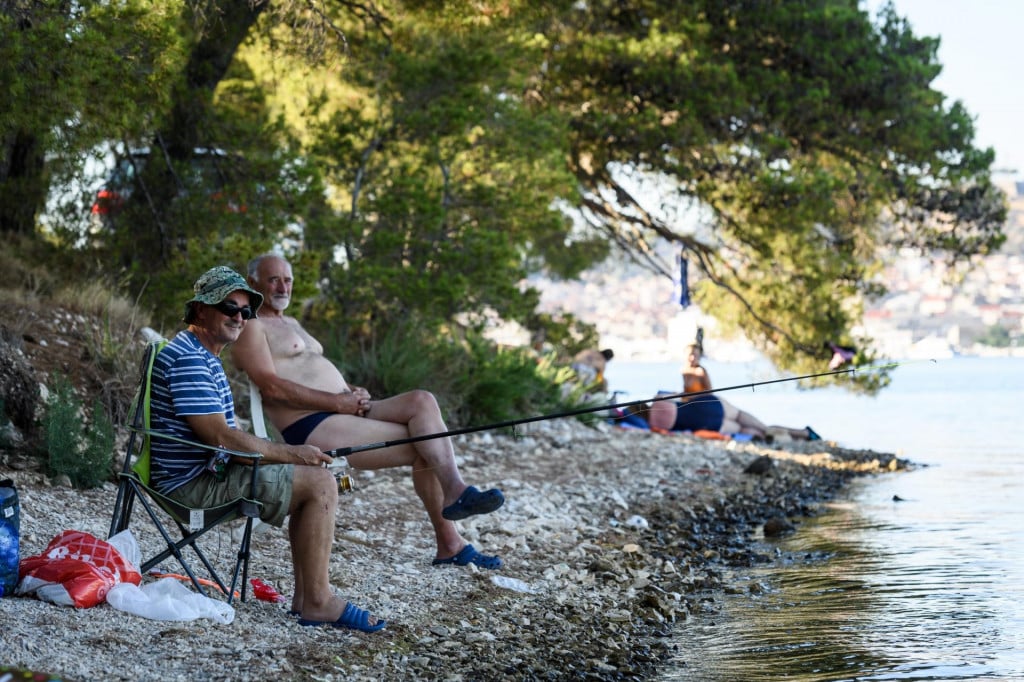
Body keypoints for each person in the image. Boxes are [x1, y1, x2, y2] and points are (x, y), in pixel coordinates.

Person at [230, 254, 505, 571]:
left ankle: (456, 490)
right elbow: (272, 388)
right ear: (253, 283)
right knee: (424, 444)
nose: (282, 286)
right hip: (313, 424)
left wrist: (350, 390)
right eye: (273, 279)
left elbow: (310, 369)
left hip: (345, 408)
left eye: (288, 279)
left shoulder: (291, 323)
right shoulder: (251, 326)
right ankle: (451, 542)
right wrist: (337, 403)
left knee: (422, 401)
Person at [149, 265, 386, 632]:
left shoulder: (201, 353)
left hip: (207, 471)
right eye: (230, 307)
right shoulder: (190, 359)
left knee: (314, 476)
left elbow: (224, 437)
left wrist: (294, 457)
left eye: (246, 311)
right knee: (319, 484)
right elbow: (222, 438)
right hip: (192, 486)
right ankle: (318, 602)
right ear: (200, 311)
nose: (240, 317)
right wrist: (294, 453)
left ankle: (306, 599)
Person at [647, 341, 821, 441]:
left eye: (696, 355)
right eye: (691, 354)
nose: (693, 358)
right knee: (760, 428)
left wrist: (682, 397)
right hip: (710, 409)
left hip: (709, 408)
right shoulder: (685, 370)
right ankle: (803, 434)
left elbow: (706, 391)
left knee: (753, 429)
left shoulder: (700, 371)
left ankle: (800, 435)